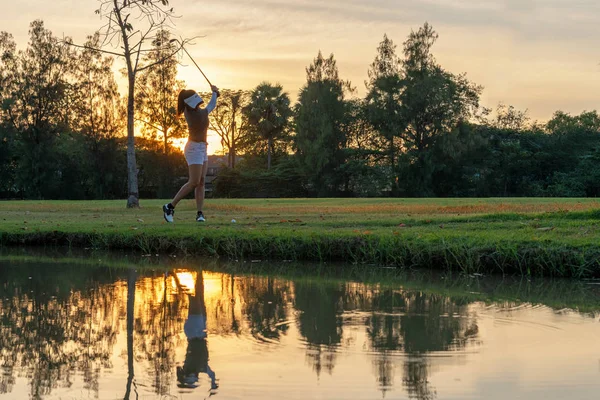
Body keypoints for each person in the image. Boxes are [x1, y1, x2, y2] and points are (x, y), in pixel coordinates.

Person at [163, 85, 219, 223]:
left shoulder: (200, 111)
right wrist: (215, 94)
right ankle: (169, 206)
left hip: (203, 148)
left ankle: (200, 214)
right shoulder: (190, 112)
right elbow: (209, 107)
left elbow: (211, 105)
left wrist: (215, 94)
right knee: (194, 181)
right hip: (193, 148)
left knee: (201, 182)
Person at [176, 271, 218, 390]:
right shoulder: (202, 367)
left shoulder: (195, 366)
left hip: (195, 328)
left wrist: (213, 383)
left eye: (194, 378)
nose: (196, 377)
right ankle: (199, 272)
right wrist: (213, 383)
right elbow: (212, 374)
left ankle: (175, 275)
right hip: (199, 326)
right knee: (199, 295)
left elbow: (211, 374)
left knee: (193, 297)